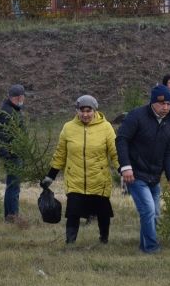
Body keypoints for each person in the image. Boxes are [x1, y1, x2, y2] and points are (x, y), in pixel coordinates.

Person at [43, 95, 119, 245]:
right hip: (75, 179)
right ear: (77, 111)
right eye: (81, 111)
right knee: (73, 212)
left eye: (88, 110)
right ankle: (70, 242)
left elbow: (114, 152)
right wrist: (50, 176)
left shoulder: (106, 127)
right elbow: (60, 154)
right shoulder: (68, 128)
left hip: (99, 179)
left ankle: (104, 239)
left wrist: (123, 170)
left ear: (95, 110)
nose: (85, 114)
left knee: (103, 212)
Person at [116, 84, 170, 254]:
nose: (165, 107)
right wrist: (126, 167)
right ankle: (152, 248)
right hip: (135, 174)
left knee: (155, 214)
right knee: (148, 210)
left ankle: (144, 246)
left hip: (154, 175)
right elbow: (121, 140)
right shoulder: (136, 116)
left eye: (168, 104)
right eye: (161, 104)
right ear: (153, 102)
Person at [0, 84, 26, 221]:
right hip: (12, 154)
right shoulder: (7, 112)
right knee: (13, 186)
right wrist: (7, 154)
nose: (24, 99)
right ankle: (12, 215)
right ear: (19, 97)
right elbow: (2, 135)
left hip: (16, 152)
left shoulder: (14, 110)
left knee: (13, 185)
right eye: (23, 97)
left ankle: (10, 215)